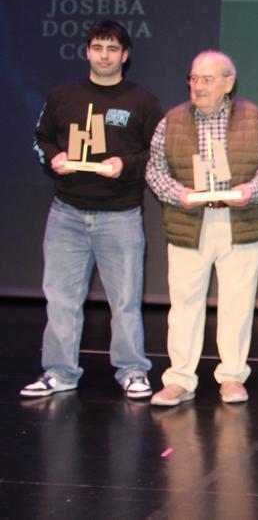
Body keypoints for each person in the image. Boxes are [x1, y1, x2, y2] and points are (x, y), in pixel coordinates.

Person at [22, 21, 162, 400]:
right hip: (66, 213)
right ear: (87, 51)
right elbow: (41, 137)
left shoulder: (142, 101)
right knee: (62, 299)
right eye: (98, 47)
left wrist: (126, 164)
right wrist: (55, 157)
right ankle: (60, 372)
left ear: (125, 55)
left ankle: (132, 371)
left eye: (112, 49)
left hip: (120, 216)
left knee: (126, 301)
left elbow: (159, 152)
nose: (104, 55)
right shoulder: (62, 96)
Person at [145, 51, 258, 406]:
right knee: (184, 303)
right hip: (190, 221)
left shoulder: (253, 118)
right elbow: (154, 170)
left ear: (228, 82)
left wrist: (250, 192)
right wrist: (179, 194)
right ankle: (180, 379)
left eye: (207, 79)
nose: (198, 86)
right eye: (193, 79)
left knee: (237, 303)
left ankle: (232, 376)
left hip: (239, 222)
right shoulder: (170, 121)